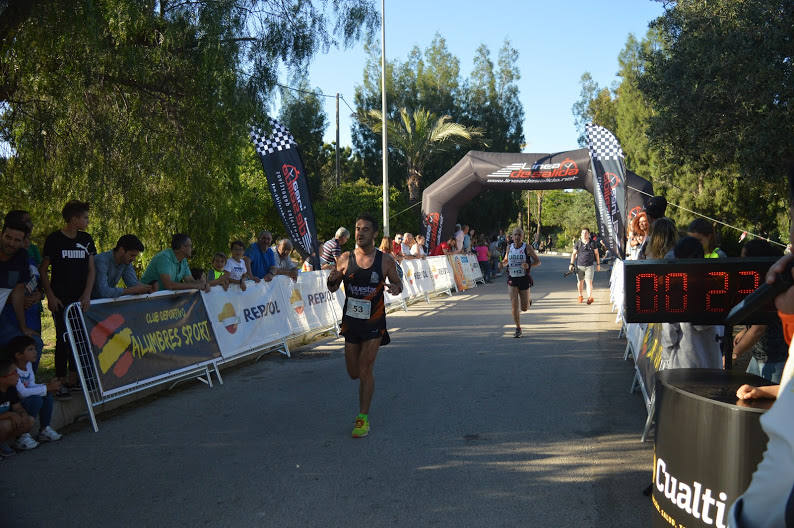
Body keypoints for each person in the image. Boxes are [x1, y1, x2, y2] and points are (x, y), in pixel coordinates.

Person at [327, 213, 402, 438]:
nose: (360, 233)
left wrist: (396, 288)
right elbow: (332, 287)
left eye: (365, 229)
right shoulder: (344, 259)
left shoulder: (385, 260)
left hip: (374, 321)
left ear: (375, 233)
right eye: (357, 229)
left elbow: (398, 284)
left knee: (365, 369)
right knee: (353, 372)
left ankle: (363, 418)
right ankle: (365, 386)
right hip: (351, 323)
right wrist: (332, 278)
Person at [40, 200, 96, 396]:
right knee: (63, 338)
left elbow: (91, 270)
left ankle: (74, 378)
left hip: (80, 300)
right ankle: (60, 380)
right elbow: (43, 270)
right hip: (60, 299)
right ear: (74, 219)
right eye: (85, 218)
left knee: (79, 337)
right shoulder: (54, 239)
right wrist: (50, 296)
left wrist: (87, 294)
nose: (88, 221)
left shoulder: (87, 239)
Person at [659, 237, 722, 370]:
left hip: (683, 363)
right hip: (712, 361)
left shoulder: (675, 289)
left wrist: (666, 356)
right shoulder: (717, 284)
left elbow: (669, 333)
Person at [731, 240, 787, 384]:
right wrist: (744, 330)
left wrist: (735, 353)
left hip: (775, 360)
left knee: (767, 405)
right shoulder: (761, 281)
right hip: (759, 357)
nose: (741, 262)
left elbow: (759, 329)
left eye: (744, 258)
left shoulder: (769, 285)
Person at [9, 335, 62, 443]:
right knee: (36, 399)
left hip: (26, 397)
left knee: (47, 395)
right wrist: (46, 387)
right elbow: (22, 393)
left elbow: (31, 385)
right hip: (15, 404)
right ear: (19, 355)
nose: (35, 352)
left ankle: (44, 429)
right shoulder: (13, 370)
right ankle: (23, 435)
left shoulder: (28, 364)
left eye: (34, 348)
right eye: (30, 349)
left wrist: (47, 386)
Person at [502, 227, 541, 338]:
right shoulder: (509, 247)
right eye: (515, 235)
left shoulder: (527, 247)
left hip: (524, 278)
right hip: (512, 278)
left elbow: (538, 262)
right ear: (512, 236)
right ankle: (518, 328)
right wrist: (502, 263)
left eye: (519, 235)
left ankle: (528, 300)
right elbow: (506, 260)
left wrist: (529, 265)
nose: (517, 237)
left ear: (523, 237)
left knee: (524, 308)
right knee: (514, 304)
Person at [91, 235, 153, 299]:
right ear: (121, 250)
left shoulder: (126, 262)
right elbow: (103, 292)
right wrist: (131, 290)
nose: (134, 259)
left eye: (135, 256)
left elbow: (133, 284)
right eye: (132, 255)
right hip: (86, 303)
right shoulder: (102, 260)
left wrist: (148, 288)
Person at [140, 233, 207, 292]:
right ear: (182, 247)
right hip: (144, 298)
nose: (192, 249)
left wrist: (204, 284)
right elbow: (169, 285)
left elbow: (190, 281)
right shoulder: (164, 258)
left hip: (160, 298)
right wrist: (196, 286)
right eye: (190, 246)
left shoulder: (183, 260)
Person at [0, 359, 37, 453]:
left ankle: (3, 442)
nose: (18, 376)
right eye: (14, 373)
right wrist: (10, 415)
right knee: (5, 425)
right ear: (2, 378)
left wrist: (22, 413)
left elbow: (18, 407)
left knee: (29, 420)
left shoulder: (11, 389)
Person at [569, 227, 600, 304]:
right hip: (580, 266)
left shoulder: (593, 243)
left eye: (586, 233)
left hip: (590, 266)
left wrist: (598, 264)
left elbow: (596, 253)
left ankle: (590, 298)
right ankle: (580, 296)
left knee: (589, 282)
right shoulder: (578, 243)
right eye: (583, 233)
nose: (584, 234)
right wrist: (571, 264)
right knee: (580, 282)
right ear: (581, 234)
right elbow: (573, 254)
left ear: (588, 234)